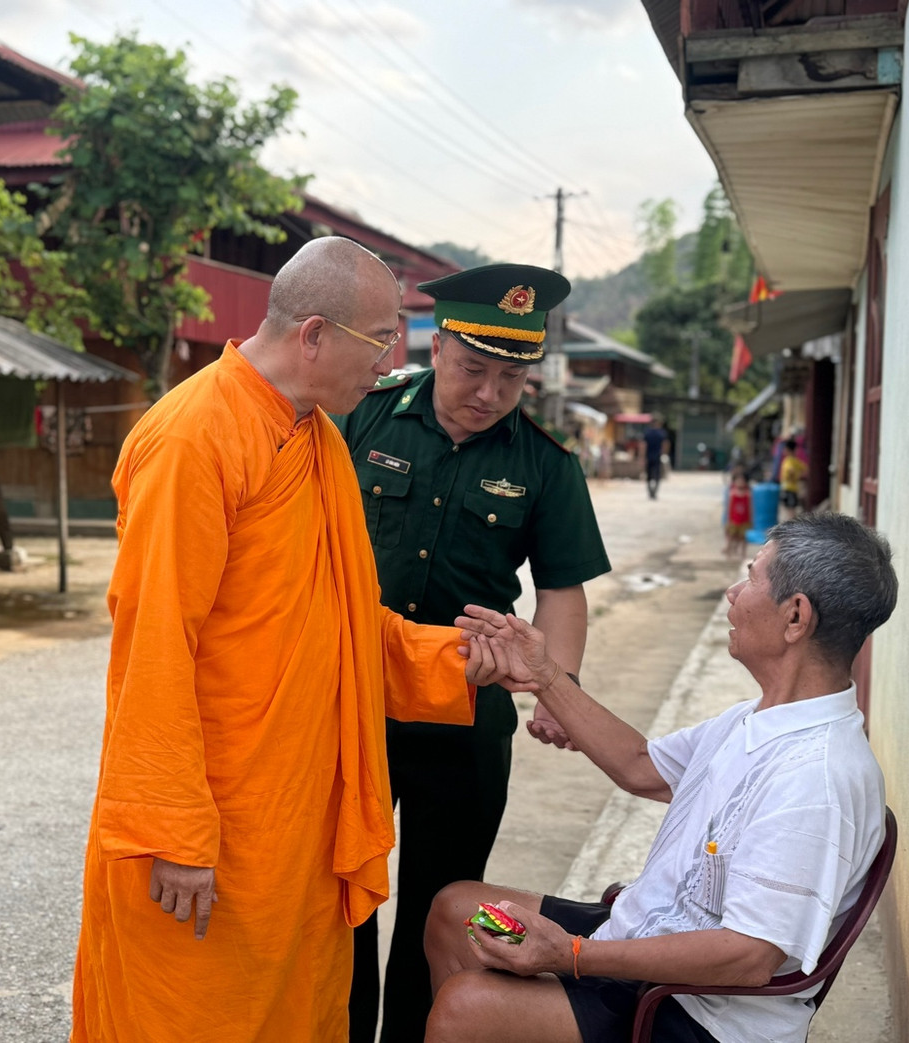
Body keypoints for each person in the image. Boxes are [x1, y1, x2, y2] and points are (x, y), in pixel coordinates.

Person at [70, 237, 490, 1042]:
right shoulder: (195, 436)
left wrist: (462, 657)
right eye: (382, 338)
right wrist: (171, 829)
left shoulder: (319, 438)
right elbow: (155, 642)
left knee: (297, 1013)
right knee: (192, 1016)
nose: (392, 360)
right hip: (211, 823)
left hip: (299, 816)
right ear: (314, 334)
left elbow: (337, 618)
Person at [424, 512, 897, 1043]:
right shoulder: (756, 718)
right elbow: (640, 766)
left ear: (795, 618)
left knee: (467, 1008)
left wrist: (572, 955)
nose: (732, 591)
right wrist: (545, 677)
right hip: (648, 935)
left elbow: (748, 957)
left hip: (695, 1011)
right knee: (456, 912)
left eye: (752, 577)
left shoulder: (816, 778)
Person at [336, 263, 611, 1042]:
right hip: (352, 698)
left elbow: (562, 587)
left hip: (464, 714)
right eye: (472, 369)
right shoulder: (367, 416)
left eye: (511, 377)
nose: (489, 393)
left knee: (438, 907)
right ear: (438, 342)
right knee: (342, 896)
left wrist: (560, 693)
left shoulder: (546, 466)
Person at [724, 470, 753, 557]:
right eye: (738, 481)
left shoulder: (748, 494)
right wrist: (729, 520)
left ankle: (743, 553)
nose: (740, 482)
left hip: (744, 520)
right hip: (734, 520)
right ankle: (729, 550)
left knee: (743, 538)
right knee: (731, 536)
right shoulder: (732, 494)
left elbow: (750, 508)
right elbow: (729, 508)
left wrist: (751, 519)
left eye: (742, 481)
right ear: (734, 482)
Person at [778, 437, 808, 518]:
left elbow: (790, 472)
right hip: (790, 488)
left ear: (788, 450)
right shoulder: (792, 461)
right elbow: (805, 468)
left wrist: (796, 475)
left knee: (790, 510)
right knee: (790, 509)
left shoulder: (790, 461)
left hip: (789, 489)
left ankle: (790, 526)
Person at [643, 417, 669, 499]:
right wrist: (664, 453)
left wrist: (642, 457)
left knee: (649, 475)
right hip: (658, 456)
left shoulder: (647, 433)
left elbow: (643, 445)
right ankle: (655, 492)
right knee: (657, 475)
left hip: (649, 456)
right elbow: (665, 444)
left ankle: (650, 491)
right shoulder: (662, 433)